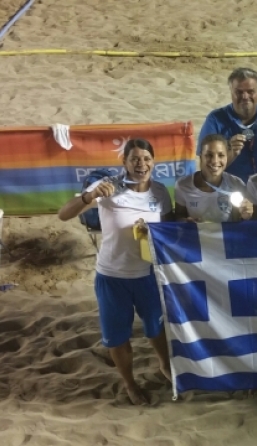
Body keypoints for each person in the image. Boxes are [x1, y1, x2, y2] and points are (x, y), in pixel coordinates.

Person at [57, 139, 173, 406]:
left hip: (148, 274)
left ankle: (164, 365)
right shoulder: (109, 187)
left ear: (153, 162)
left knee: (156, 328)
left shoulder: (160, 192)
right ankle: (130, 384)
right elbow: (64, 214)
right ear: (124, 163)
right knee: (118, 337)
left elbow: (168, 228)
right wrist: (90, 196)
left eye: (146, 158)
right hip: (112, 277)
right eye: (134, 159)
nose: (140, 164)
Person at [198, 67, 257, 182]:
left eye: (250, 91)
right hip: (230, 189)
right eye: (239, 92)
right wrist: (230, 153)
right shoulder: (215, 121)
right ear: (231, 92)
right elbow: (204, 169)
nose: (245, 97)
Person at [175, 134, 249, 223]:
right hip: (198, 236)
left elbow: (240, 223)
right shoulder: (183, 185)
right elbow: (178, 216)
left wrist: (247, 214)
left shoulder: (236, 184)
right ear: (201, 157)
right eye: (209, 155)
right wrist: (186, 222)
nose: (215, 161)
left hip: (226, 237)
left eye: (221, 155)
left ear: (227, 157)